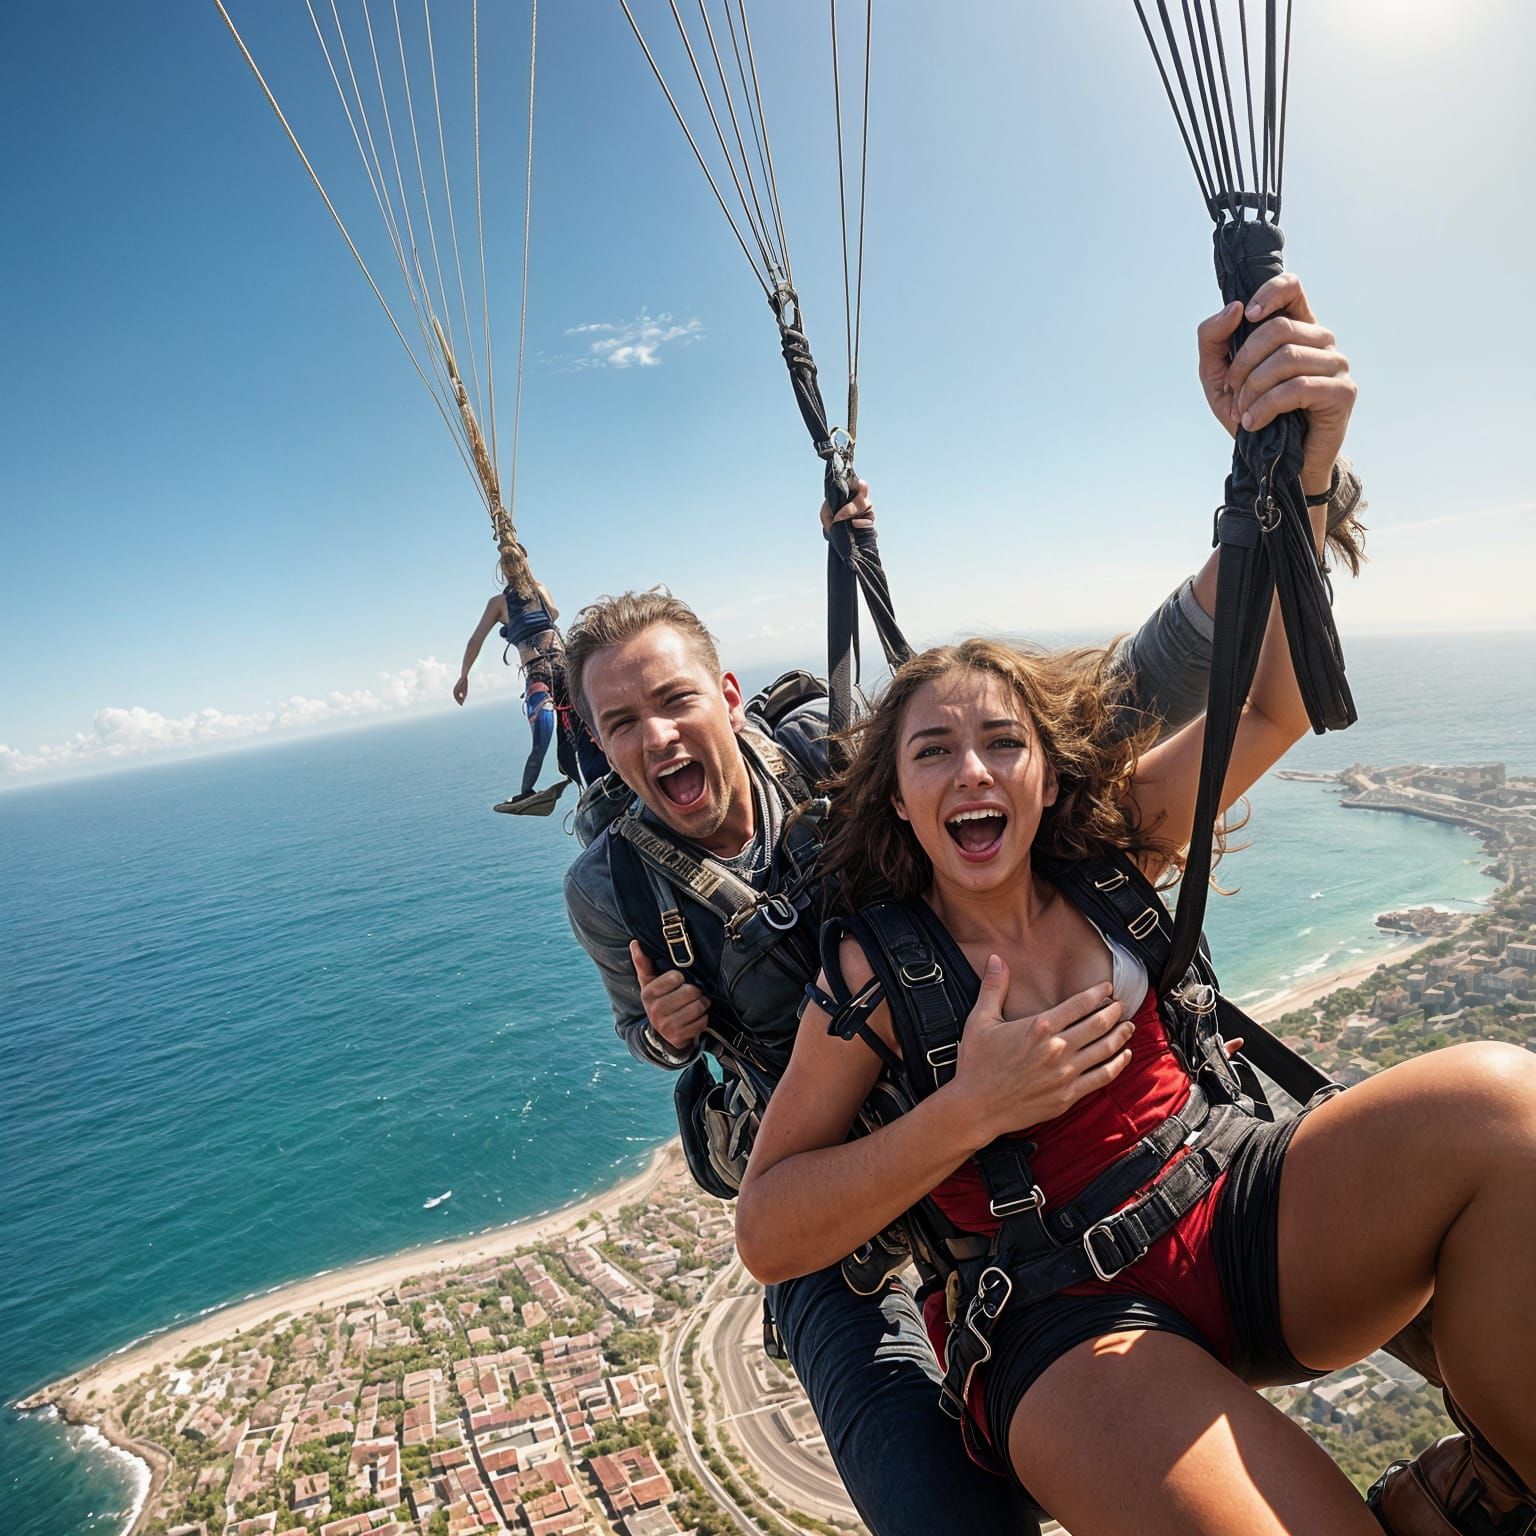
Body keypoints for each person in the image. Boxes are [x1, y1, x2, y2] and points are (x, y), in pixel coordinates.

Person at [563, 278, 1372, 1536]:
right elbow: (731, 1152)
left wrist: (1277, 497)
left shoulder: (860, 753)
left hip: (1008, 1144)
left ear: (724, 694)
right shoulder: (613, 888)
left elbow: (1101, 707)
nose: (656, 736)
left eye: (674, 700)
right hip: (848, 1175)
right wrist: (665, 1029)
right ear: (598, 746)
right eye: (620, 723)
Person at [734, 287, 1536, 1535]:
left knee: (1506, 1109)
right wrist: (971, 1109)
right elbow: (771, 1230)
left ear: (1048, 771)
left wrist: (1301, 480)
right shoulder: (875, 971)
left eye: (1004, 739)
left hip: (1229, 1206)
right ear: (897, 801)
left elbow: (1269, 711)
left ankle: (1498, 1493)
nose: (974, 770)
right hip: (1057, 1322)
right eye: (934, 751)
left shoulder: (1108, 857)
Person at [453, 543, 608, 806]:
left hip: (558, 669)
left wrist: (464, 676)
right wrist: (464, 675)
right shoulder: (506, 601)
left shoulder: (529, 593)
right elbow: (476, 641)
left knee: (573, 730)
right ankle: (530, 791)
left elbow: (475, 640)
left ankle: (595, 782)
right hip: (548, 671)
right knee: (558, 729)